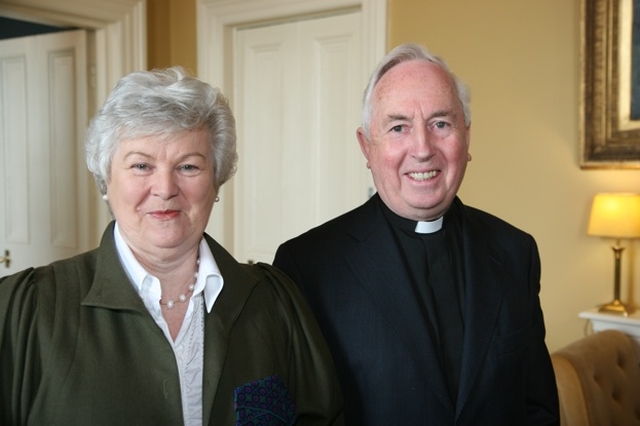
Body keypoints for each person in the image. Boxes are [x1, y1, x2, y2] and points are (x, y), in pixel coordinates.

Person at [0, 67, 344, 426]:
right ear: (105, 181)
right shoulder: (26, 311)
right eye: (141, 165)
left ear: (216, 181)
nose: (165, 188)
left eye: (189, 166)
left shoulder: (276, 302)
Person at [273, 43, 559, 425]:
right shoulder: (306, 266)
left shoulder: (515, 251)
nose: (422, 149)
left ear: (467, 138)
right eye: (398, 127)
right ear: (366, 147)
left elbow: (537, 407)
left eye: (441, 123)